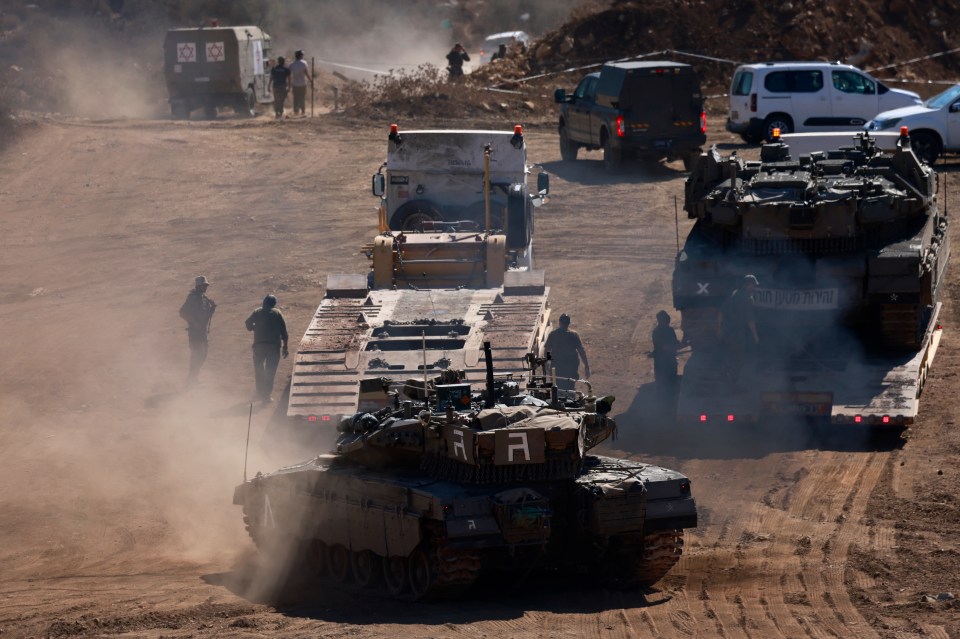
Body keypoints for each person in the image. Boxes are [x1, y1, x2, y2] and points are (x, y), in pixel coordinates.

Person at [245, 294, 289, 403]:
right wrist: (285, 347)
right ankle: (266, 396)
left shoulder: (257, 311)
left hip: (258, 346)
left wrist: (255, 328)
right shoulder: (277, 313)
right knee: (270, 372)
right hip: (273, 347)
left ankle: (259, 392)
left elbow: (248, 324)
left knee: (259, 370)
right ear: (273, 304)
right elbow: (284, 332)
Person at [719, 274, 761, 385]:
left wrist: (719, 328)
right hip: (738, 333)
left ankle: (725, 370)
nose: (754, 288)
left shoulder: (733, 294)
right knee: (739, 358)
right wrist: (755, 335)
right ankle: (732, 381)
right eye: (753, 285)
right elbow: (750, 320)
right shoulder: (747, 298)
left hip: (728, 330)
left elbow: (721, 312)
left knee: (731, 353)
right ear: (749, 285)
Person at [179, 275, 216, 386]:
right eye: (203, 285)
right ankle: (191, 379)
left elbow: (206, 316)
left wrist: (212, 309)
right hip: (195, 332)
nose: (205, 287)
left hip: (202, 332)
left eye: (206, 285)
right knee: (197, 355)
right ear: (198, 286)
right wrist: (194, 323)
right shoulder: (192, 298)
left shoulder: (204, 299)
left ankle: (193, 377)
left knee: (203, 355)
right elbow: (182, 312)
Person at [544, 313, 590, 391]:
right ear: (568, 323)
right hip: (571, 368)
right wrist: (586, 366)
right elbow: (581, 351)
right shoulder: (574, 335)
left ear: (559, 322)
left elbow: (547, 351)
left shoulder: (553, 334)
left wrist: (547, 362)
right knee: (570, 389)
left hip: (557, 368)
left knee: (557, 389)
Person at [652, 310, 685, 388]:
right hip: (663, 363)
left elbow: (675, 343)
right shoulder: (658, 332)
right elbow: (664, 347)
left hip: (667, 362)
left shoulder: (667, 330)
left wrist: (682, 344)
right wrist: (676, 347)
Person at [289, 50, 313, 116]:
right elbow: (306, 73)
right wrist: (311, 80)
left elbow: (289, 74)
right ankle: (303, 111)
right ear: (300, 56)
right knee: (302, 98)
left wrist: (289, 83)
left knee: (296, 98)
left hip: (295, 84)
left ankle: (296, 111)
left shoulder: (292, 64)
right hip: (302, 84)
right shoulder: (304, 63)